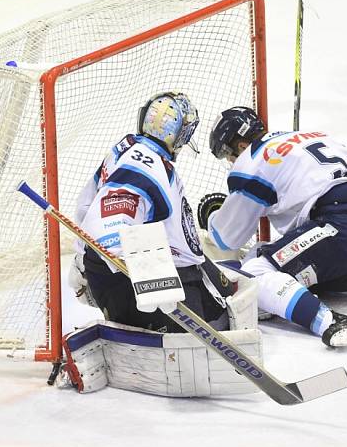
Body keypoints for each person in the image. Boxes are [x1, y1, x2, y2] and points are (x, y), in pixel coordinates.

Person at [200, 106, 347, 347]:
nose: (232, 161)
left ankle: (330, 322)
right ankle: (280, 299)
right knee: (260, 251)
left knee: (252, 276)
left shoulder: (251, 160)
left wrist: (211, 216)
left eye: (228, 154)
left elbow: (226, 239)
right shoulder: (314, 137)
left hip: (341, 231)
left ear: (240, 145)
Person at [68, 92, 228, 333]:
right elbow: (109, 222)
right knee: (218, 326)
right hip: (142, 281)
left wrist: (81, 256)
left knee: (228, 294)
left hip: (168, 266)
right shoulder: (144, 165)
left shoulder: (128, 146)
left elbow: (86, 206)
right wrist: (154, 281)